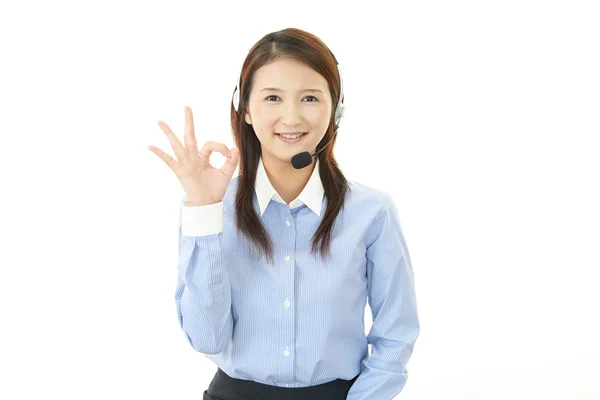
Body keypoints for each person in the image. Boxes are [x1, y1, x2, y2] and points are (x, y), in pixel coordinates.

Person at [148, 27, 420, 400]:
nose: (291, 118)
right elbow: (205, 337)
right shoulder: (213, 208)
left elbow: (395, 338)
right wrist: (203, 211)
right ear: (245, 109)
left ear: (336, 109)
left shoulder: (371, 213)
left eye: (309, 97)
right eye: (272, 97)